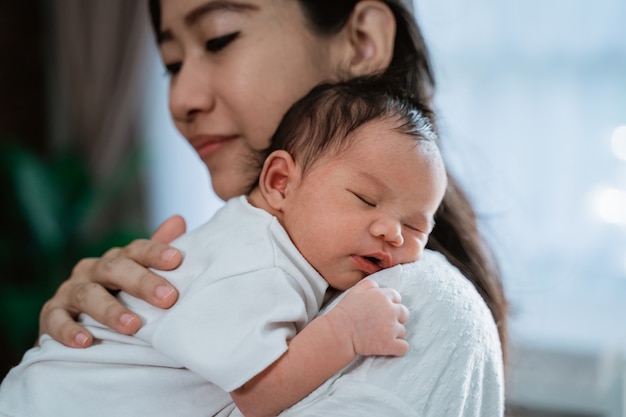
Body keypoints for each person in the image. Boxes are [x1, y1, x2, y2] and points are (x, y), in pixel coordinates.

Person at [35, 0, 507, 415]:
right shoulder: (250, 254)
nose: (181, 100)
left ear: (361, 42)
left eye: (220, 37)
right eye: (172, 64)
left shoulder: (415, 303)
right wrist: (82, 348)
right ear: (279, 181)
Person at [0, 77, 447, 417]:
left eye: (414, 226)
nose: (393, 233)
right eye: (365, 200)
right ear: (280, 183)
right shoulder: (260, 263)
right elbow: (257, 393)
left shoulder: (270, 242)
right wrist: (345, 332)